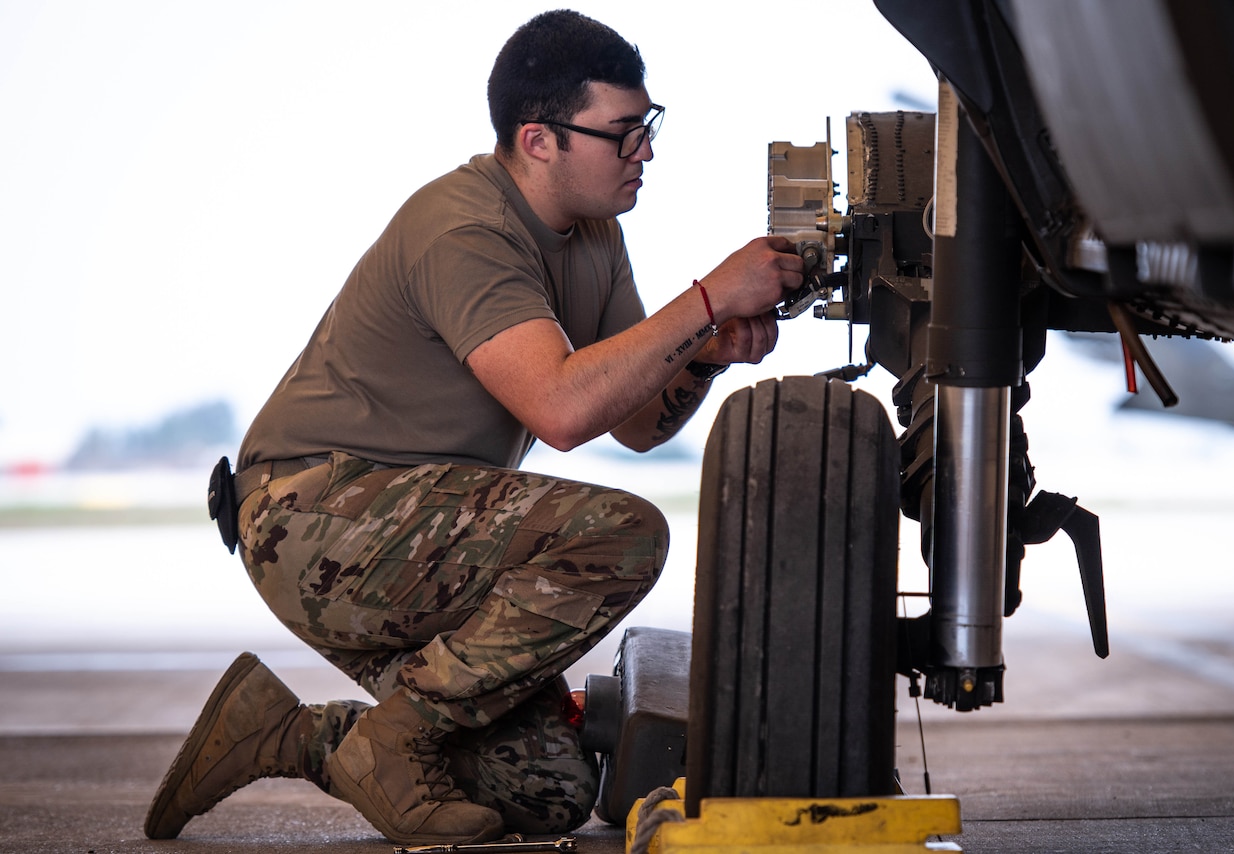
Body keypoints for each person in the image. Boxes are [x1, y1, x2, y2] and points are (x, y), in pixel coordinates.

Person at [144, 9, 802, 847]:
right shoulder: (465, 229)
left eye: (649, 126)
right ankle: (394, 738)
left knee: (545, 790)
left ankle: (283, 732)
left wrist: (703, 354)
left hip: (415, 535)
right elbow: (561, 411)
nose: (646, 151)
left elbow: (635, 422)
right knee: (624, 535)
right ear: (539, 140)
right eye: (623, 133)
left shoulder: (595, 234)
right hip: (310, 513)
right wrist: (707, 298)